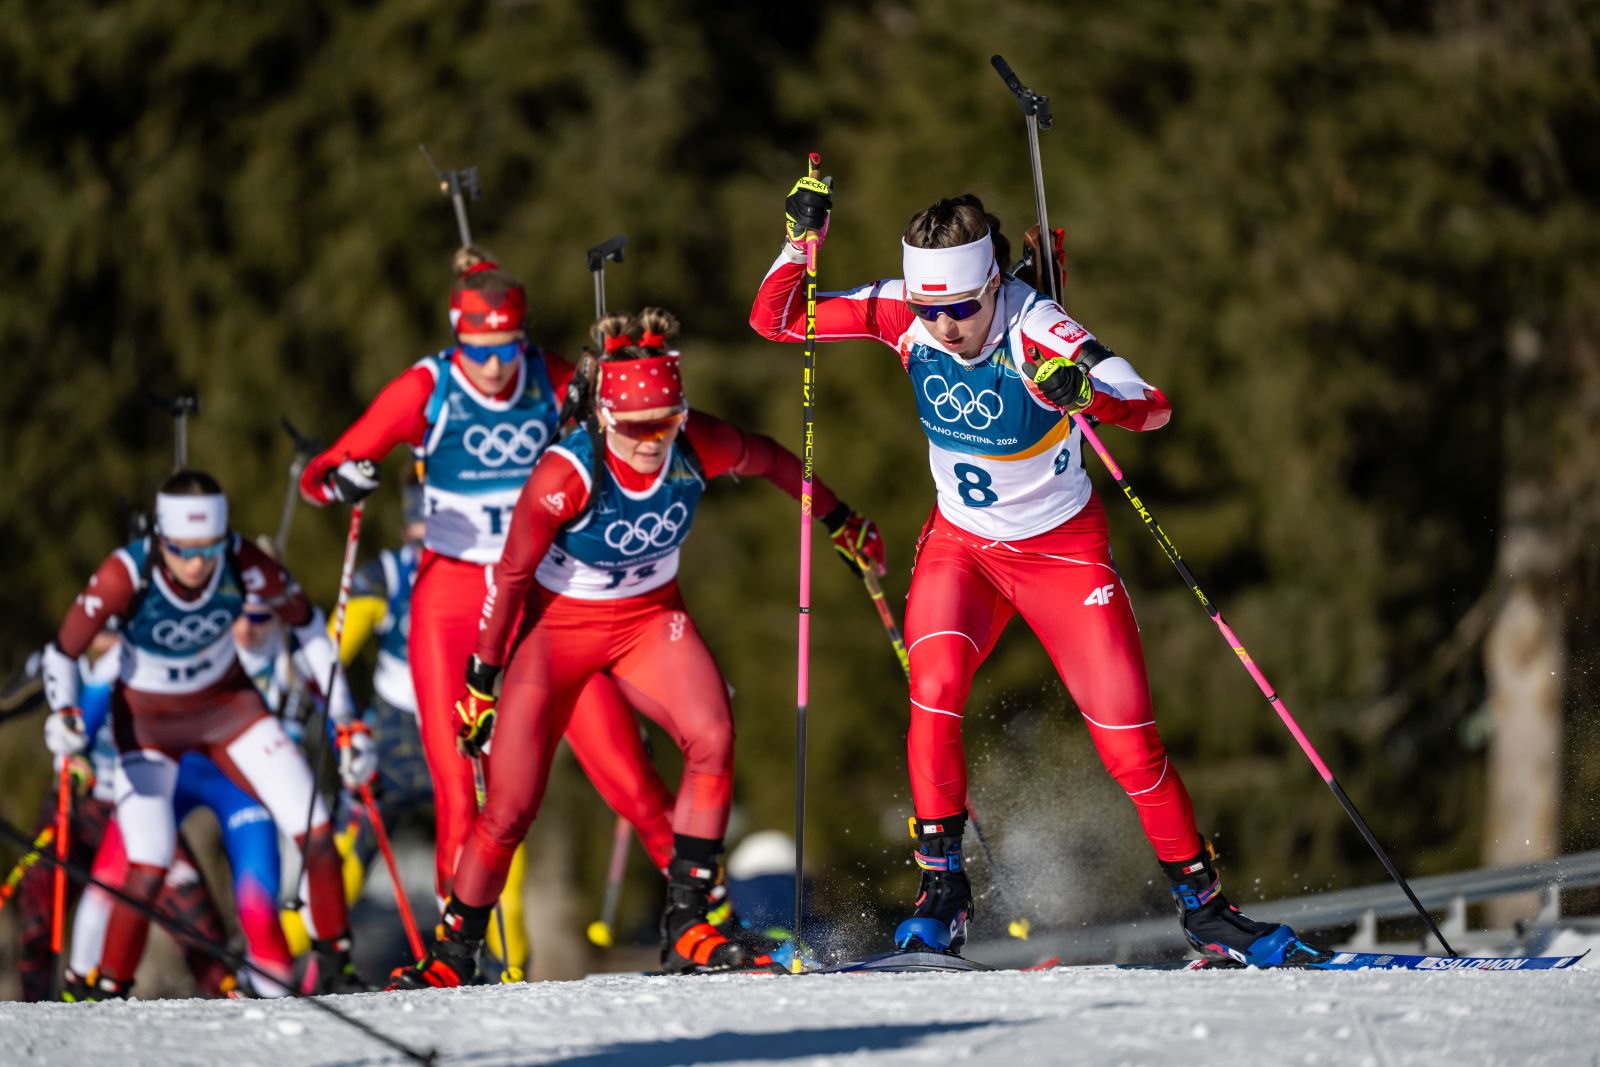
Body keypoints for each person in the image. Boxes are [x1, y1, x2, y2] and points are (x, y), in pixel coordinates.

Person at [749, 183, 1320, 967]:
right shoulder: (905, 314)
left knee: (1128, 743)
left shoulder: (1037, 325)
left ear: (994, 285)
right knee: (935, 685)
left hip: (1062, 556)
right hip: (965, 549)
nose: (944, 328)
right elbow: (775, 320)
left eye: (961, 309)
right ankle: (941, 891)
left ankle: (1207, 908)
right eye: (930, 310)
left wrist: (1089, 393)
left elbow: (1151, 404)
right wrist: (797, 244)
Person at [389, 308, 883, 986]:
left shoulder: (695, 445)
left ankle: (689, 924)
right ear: (604, 419)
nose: (653, 442)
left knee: (713, 735)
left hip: (649, 622)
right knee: (507, 810)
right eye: (635, 428)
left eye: (667, 422)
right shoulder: (566, 475)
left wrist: (838, 519)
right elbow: (507, 578)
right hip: (554, 635)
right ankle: (451, 955)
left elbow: (770, 457)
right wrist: (481, 680)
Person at [298, 249, 678, 933]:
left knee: (626, 772)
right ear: (457, 337)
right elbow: (324, 470)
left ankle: (701, 914)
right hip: (447, 600)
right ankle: (456, 951)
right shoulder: (426, 388)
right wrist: (342, 479)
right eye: (481, 350)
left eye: (507, 346)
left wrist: (608, 387)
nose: (497, 366)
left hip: (543, 596)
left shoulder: (546, 375)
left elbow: (632, 417)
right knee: (459, 790)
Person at [40, 469, 372, 997]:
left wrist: (345, 719)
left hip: (229, 710)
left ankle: (336, 967)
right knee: (147, 865)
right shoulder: (125, 573)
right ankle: (106, 993)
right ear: (161, 540)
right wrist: (64, 716)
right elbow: (62, 653)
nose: (198, 564)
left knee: (314, 827)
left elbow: (308, 625)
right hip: (148, 726)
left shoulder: (242, 562)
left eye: (209, 549)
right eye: (183, 550)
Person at [15, 633, 234, 1001]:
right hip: (79, 806)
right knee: (38, 913)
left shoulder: (165, 665)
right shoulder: (75, 666)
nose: (110, 635)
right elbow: (22, 701)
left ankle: (234, 999)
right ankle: (36, 1010)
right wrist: (67, 749)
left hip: (136, 807)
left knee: (198, 923)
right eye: (104, 625)